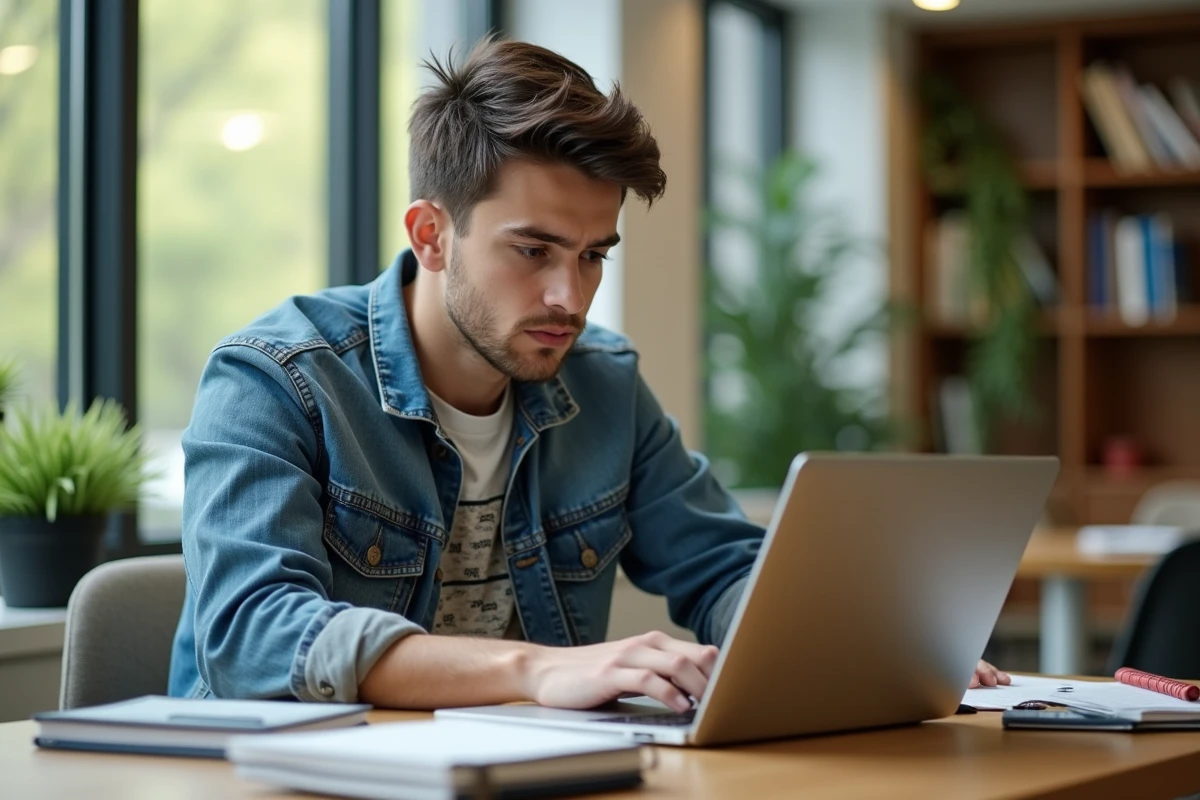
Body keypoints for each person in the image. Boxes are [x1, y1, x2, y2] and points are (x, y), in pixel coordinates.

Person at [168, 38, 1008, 712]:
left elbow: (720, 566)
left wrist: (871, 642)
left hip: (521, 774)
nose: (569, 297)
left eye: (593, 255)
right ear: (432, 234)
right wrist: (534, 670)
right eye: (532, 250)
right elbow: (254, 637)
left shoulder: (602, 383)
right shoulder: (274, 379)